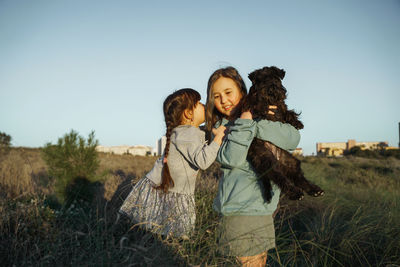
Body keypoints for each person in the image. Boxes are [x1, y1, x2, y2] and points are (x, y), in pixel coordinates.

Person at [205, 67, 300, 266]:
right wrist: (245, 121)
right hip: (241, 212)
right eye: (217, 96)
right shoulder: (221, 130)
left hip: (262, 211)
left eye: (228, 92)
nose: (223, 100)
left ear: (242, 91)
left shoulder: (259, 117)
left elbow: (292, 138)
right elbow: (233, 158)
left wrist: (253, 121)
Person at [120, 88, 226, 238]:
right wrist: (218, 139)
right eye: (199, 103)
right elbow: (203, 161)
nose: (204, 105)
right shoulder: (186, 133)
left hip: (171, 190)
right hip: (171, 192)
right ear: (188, 113)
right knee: (169, 235)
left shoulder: (185, 131)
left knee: (157, 232)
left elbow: (202, 135)